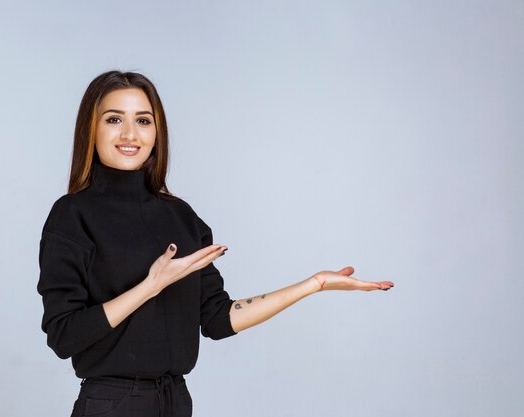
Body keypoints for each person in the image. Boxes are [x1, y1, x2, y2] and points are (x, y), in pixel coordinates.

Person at [36, 70, 394, 417]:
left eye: (143, 121)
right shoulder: (72, 215)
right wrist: (151, 286)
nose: (131, 133)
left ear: (157, 132)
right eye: (114, 119)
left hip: (175, 400)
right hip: (112, 403)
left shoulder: (181, 217)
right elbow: (65, 336)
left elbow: (218, 319)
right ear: (91, 129)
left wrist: (312, 285)